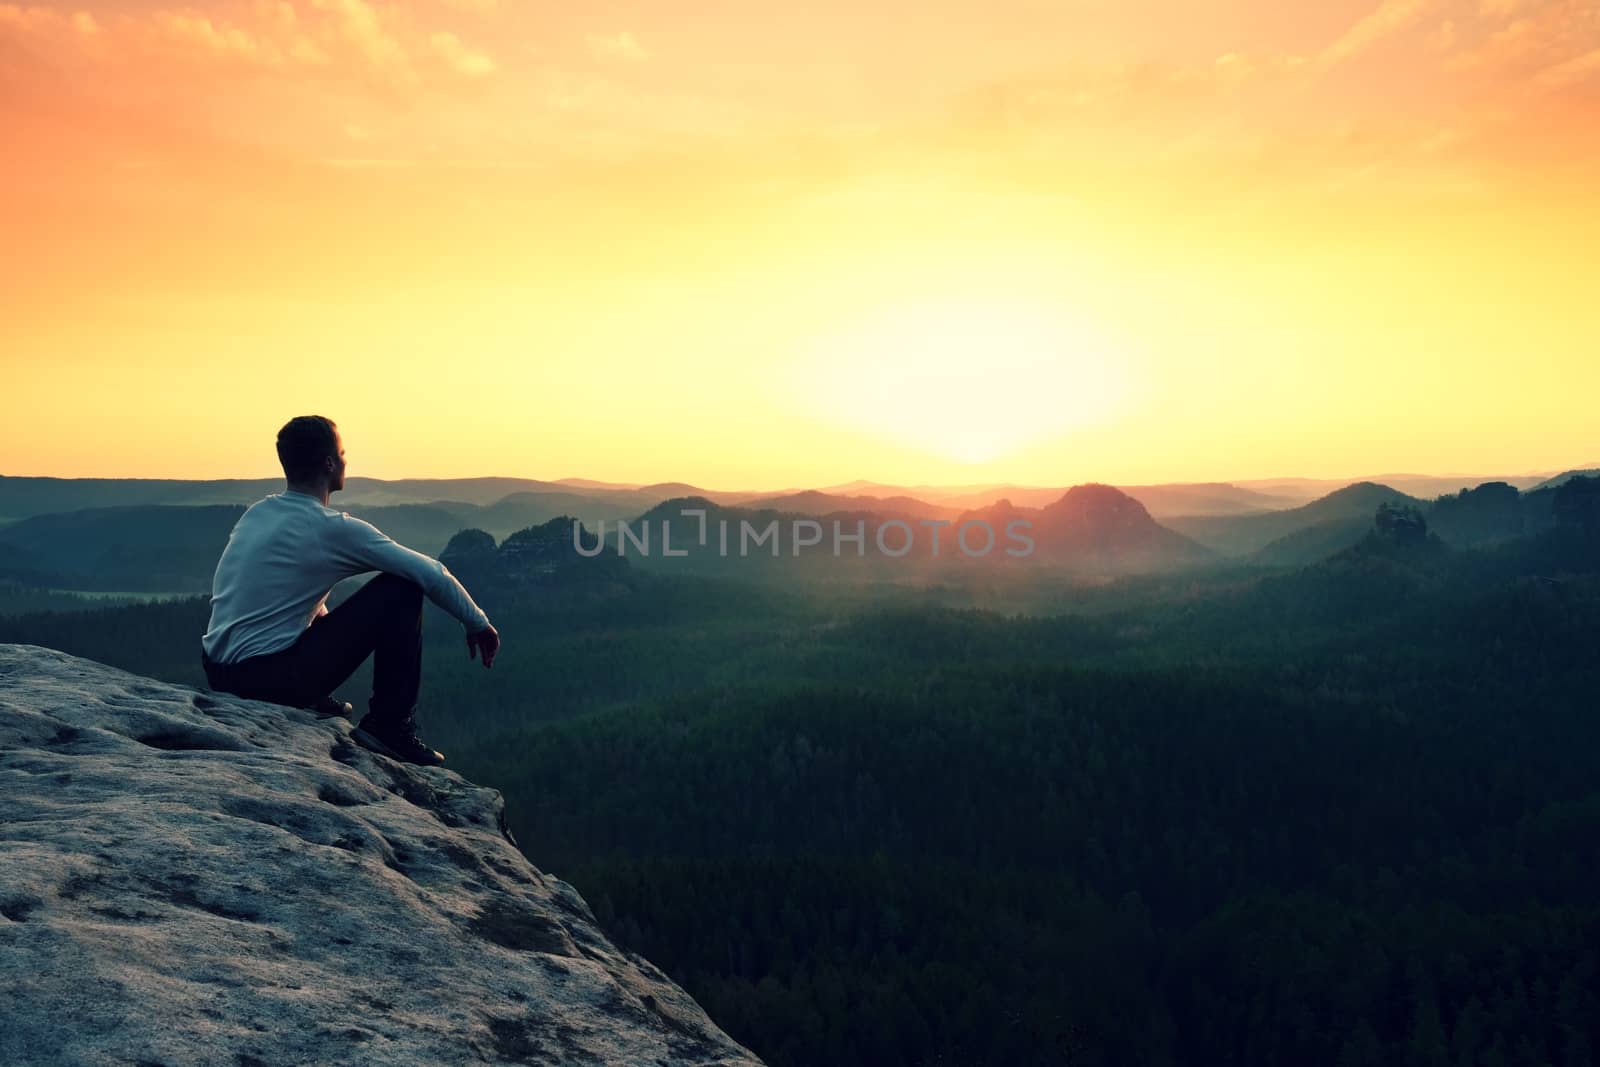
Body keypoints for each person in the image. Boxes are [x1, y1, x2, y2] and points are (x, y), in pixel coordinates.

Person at [199, 415, 500, 766]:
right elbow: (430, 572)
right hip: (268, 680)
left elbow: (283, 598)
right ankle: (390, 727)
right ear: (329, 463)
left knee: (320, 606)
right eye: (342, 453)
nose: (345, 460)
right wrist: (477, 623)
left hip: (218, 671)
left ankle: (313, 699)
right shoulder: (330, 528)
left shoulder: (258, 513)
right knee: (401, 588)